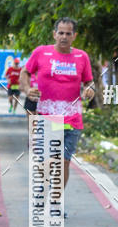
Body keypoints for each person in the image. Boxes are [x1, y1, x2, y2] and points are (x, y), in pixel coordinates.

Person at [20, 18, 95, 212]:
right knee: (48, 161)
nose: (64, 37)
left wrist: (90, 90)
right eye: (60, 33)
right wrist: (27, 89)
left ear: (74, 36)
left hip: (72, 118)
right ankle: (40, 192)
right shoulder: (41, 53)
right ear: (54, 34)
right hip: (47, 116)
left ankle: (55, 202)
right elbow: (25, 73)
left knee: (64, 162)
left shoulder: (81, 57)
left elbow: (89, 82)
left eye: (68, 33)